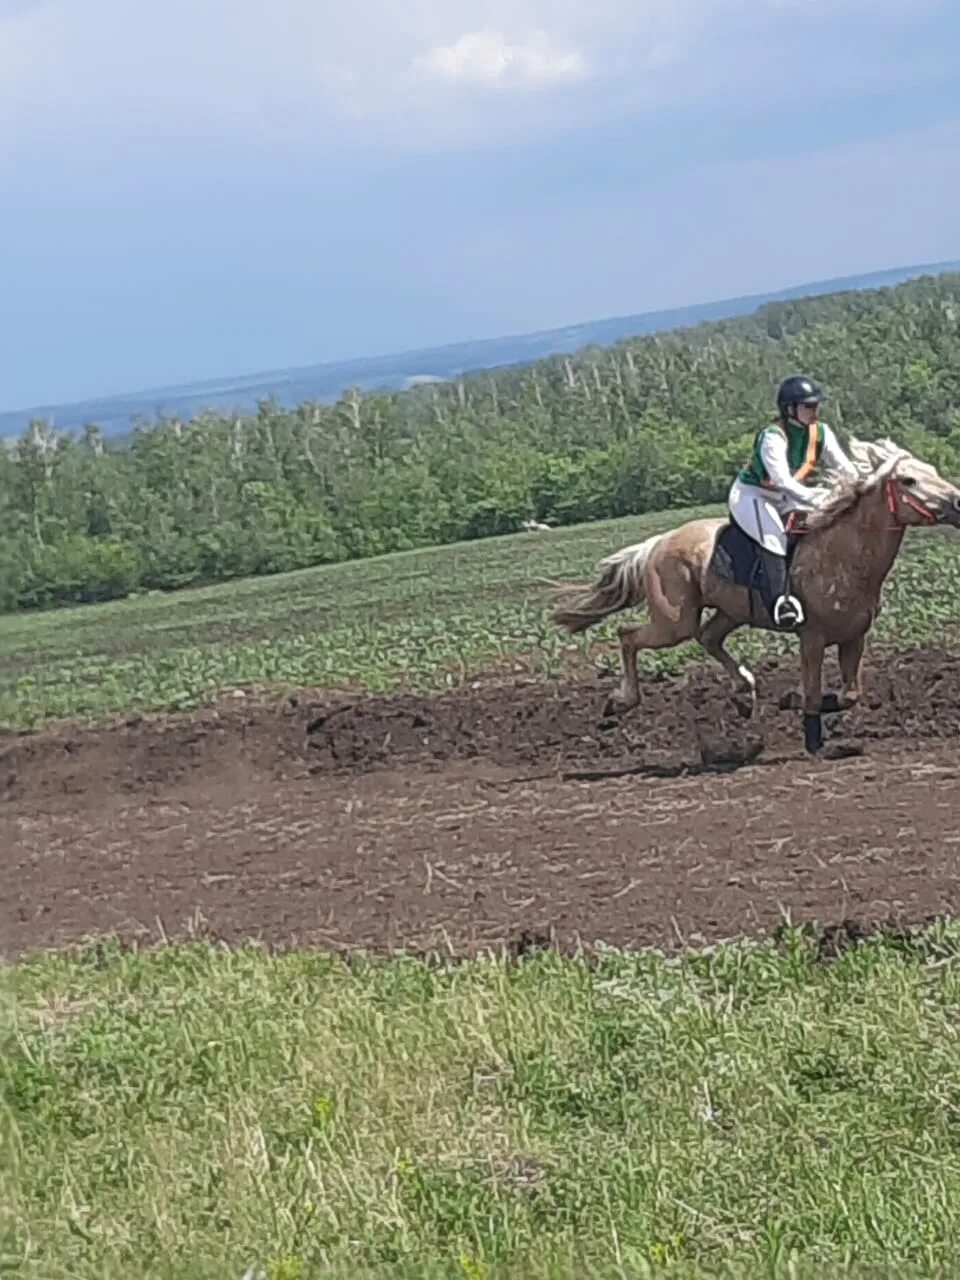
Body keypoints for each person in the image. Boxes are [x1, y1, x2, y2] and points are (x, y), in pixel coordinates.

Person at [728, 374, 859, 629]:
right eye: (808, 407)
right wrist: (822, 496)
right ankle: (781, 603)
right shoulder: (773, 437)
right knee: (774, 537)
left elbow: (845, 469)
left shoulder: (821, 431)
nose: (815, 411)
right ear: (790, 410)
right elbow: (783, 482)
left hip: (786, 496)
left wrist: (864, 484)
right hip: (752, 495)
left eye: (816, 406)